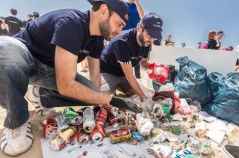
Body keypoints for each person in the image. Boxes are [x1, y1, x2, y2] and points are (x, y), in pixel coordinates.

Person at [0, 0, 128, 156]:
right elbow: (66, 85)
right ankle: (17, 122)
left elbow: (95, 78)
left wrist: (101, 100)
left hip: (49, 70)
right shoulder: (71, 22)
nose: (120, 30)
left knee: (92, 96)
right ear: (103, 10)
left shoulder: (97, 40)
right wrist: (106, 98)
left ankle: (41, 96)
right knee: (7, 59)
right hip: (24, 51)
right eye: (120, 23)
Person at [100, 13, 163, 101]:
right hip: (107, 72)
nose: (152, 39)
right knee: (101, 99)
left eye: (155, 36)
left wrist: (154, 69)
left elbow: (142, 62)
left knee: (148, 94)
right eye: (150, 34)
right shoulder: (123, 42)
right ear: (140, 28)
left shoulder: (147, 43)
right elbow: (130, 76)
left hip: (123, 74)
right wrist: (144, 98)